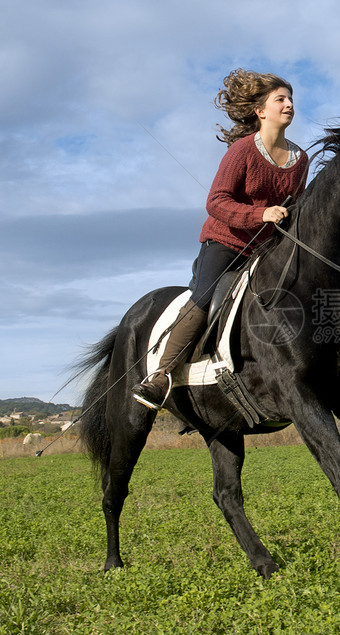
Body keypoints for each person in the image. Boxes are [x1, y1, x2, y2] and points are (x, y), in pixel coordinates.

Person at [132, 69, 309, 410]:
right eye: (281, 100)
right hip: (226, 243)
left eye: (291, 100)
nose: (289, 105)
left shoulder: (300, 160)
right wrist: (260, 214)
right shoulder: (242, 151)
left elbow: (295, 209)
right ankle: (161, 375)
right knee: (203, 297)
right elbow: (216, 202)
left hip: (267, 250)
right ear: (261, 111)